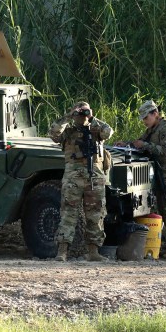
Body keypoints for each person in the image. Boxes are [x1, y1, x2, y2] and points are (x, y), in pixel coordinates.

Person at [49, 101, 114, 262]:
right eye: (80, 113)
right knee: (68, 214)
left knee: (96, 215)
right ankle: (62, 252)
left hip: (95, 178)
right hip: (73, 179)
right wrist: (68, 116)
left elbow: (108, 132)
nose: (82, 116)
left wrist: (92, 117)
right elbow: (53, 133)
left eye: (84, 112)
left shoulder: (97, 130)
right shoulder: (68, 132)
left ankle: (93, 251)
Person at [123, 100, 166, 260]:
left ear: (155, 114)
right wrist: (128, 144)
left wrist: (144, 145)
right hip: (162, 174)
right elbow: (141, 142)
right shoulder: (153, 129)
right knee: (163, 207)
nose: (144, 121)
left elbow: (164, 151)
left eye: (146, 117)